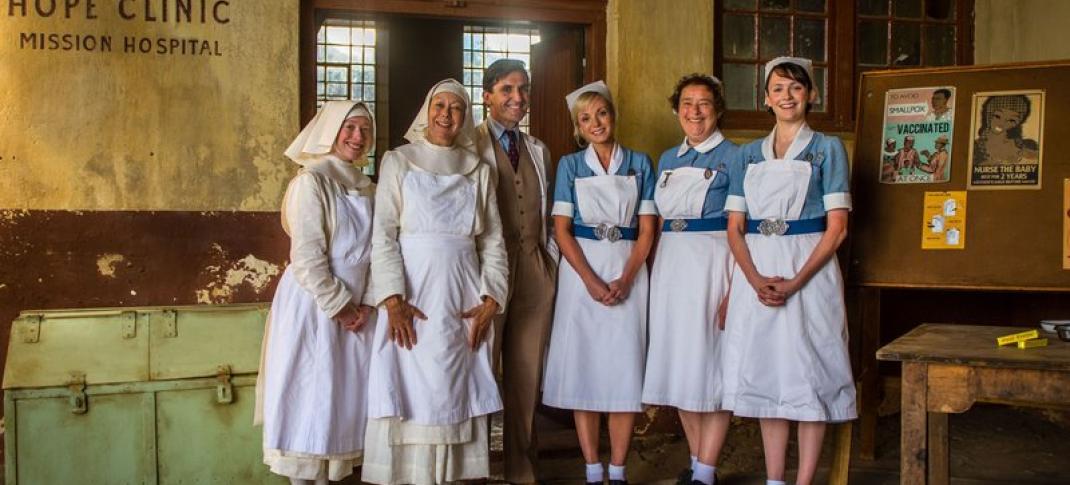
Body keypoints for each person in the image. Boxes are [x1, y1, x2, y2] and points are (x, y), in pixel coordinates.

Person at [362, 79, 508, 485]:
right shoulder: (399, 160)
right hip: (413, 289)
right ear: (427, 110)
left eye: (456, 107)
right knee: (410, 380)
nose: (446, 114)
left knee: (457, 383)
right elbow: (383, 233)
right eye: (439, 105)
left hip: (464, 289)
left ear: (466, 116)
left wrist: (492, 296)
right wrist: (392, 299)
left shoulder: (477, 167)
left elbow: (493, 238)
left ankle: (451, 477)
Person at [721, 57, 856, 485]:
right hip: (757, 269)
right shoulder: (746, 155)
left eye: (796, 88)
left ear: (810, 95)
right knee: (768, 373)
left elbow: (837, 228)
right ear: (766, 99)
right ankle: (775, 479)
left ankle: (804, 481)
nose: (787, 96)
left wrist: (796, 281)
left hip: (809, 267)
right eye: (778, 89)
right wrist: (754, 278)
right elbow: (735, 229)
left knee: (808, 371)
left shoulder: (828, 149)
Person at [542, 81, 657, 485]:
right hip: (582, 274)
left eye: (602, 114)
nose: (596, 123)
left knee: (624, 370)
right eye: (586, 118)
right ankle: (593, 469)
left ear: (613, 116)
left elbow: (646, 230)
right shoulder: (570, 166)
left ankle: (619, 469)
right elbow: (561, 230)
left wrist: (626, 278)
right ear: (578, 126)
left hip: (628, 270)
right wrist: (591, 281)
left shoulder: (640, 163)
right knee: (585, 369)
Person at [259, 100, 378, 485]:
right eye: (349, 128)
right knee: (311, 400)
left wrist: (367, 301)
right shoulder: (311, 181)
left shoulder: (368, 187)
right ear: (330, 131)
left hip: (359, 310)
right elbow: (307, 256)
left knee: (341, 407)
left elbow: (380, 251)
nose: (357, 137)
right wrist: (340, 306)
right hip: (316, 305)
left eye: (364, 130)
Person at [641, 73, 737, 485]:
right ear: (677, 109)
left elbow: (742, 227)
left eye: (703, 104)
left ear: (717, 109)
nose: (694, 112)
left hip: (713, 262)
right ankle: (700, 467)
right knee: (681, 367)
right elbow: (659, 223)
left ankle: (707, 468)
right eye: (686, 103)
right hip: (671, 266)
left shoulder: (736, 156)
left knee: (710, 367)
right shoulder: (666, 160)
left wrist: (735, 289)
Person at [474, 59, 557, 485]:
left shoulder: (539, 150)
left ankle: (522, 475)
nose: (517, 98)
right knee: (480, 373)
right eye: (507, 89)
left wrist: (550, 264)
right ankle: (475, 471)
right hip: (485, 276)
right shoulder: (468, 144)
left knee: (527, 380)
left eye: (523, 89)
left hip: (533, 271)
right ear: (487, 95)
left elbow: (547, 216)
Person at [972, 94, 1039, 165]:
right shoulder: (973, 148)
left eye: (1011, 120)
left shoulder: (1029, 145)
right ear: (988, 115)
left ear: (1018, 123)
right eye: (997, 116)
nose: (1002, 123)